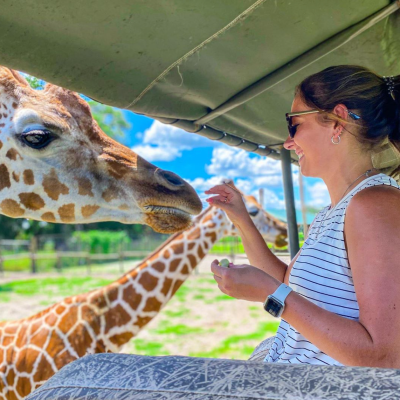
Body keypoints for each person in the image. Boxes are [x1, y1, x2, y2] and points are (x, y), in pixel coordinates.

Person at [205, 65, 400, 367]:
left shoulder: (375, 206)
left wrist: (274, 297)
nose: (287, 141)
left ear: (338, 121)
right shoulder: (331, 213)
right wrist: (241, 218)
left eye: (294, 124)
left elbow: (384, 354)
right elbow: (288, 280)